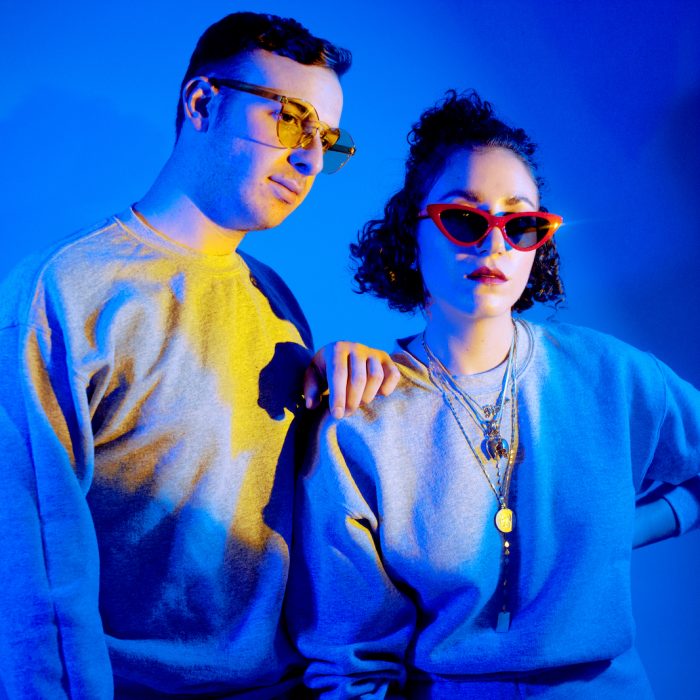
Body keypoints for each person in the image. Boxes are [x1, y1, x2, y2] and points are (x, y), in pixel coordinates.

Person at [0, 12, 400, 699]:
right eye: (290, 120)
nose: (309, 159)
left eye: (326, 141)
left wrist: (341, 380)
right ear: (203, 103)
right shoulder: (63, 292)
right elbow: (33, 570)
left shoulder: (278, 303)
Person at [288, 91, 700, 698]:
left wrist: (626, 530)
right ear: (410, 234)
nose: (495, 243)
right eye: (464, 219)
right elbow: (351, 661)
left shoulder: (612, 375)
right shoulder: (360, 419)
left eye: (522, 224)